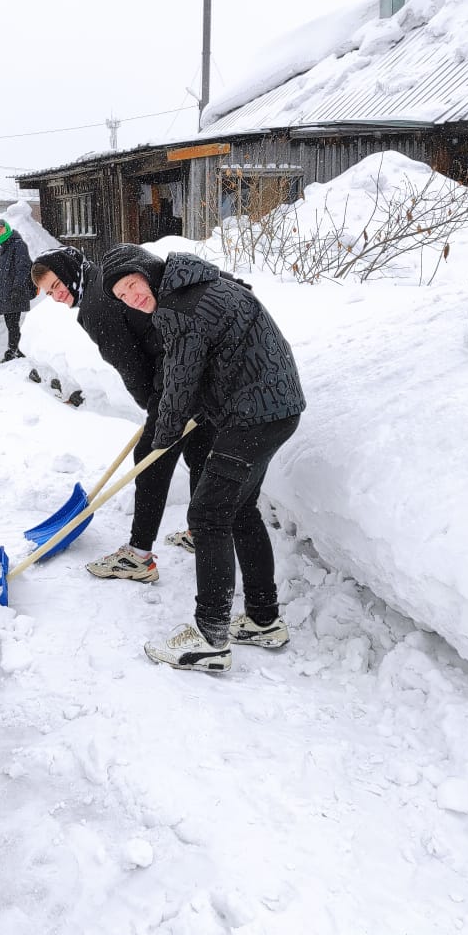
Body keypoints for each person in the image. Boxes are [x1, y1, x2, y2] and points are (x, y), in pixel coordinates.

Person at [102, 243, 306, 674]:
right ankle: (262, 619)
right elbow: (195, 367)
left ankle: (209, 637)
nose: (132, 298)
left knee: (209, 513)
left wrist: (162, 439)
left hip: (253, 413)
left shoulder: (181, 306)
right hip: (276, 408)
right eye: (122, 296)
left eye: (132, 285)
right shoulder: (200, 284)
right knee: (239, 510)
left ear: (148, 272)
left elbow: (181, 378)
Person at [31, 245, 216, 583]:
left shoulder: (98, 305)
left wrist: (157, 408)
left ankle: (138, 555)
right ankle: (203, 529)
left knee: (151, 458)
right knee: (199, 448)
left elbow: (130, 364)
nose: (56, 296)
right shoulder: (100, 280)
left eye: (57, 286)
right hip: (194, 365)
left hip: (177, 373)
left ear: (70, 273)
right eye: (49, 292)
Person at [0, 218, 34, 361]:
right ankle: (17, 350)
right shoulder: (2, 248)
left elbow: (23, 268)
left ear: (7, 229)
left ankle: (15, 351)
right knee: (11, 324)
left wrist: (17, 288)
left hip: (16, 292)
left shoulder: (18, 245)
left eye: (0, 229)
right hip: (6, 292)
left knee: (13, 324)